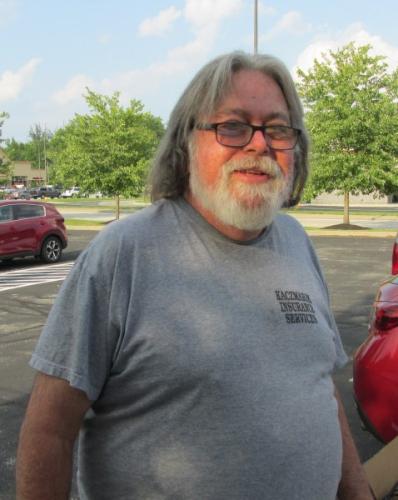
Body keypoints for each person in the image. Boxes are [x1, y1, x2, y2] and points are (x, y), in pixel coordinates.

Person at [16, 51, 373, 500]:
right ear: (187, 142)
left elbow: (318, 387)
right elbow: (49, 432)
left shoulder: (297, 242)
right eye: (233, 126)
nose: (259, 145)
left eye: (278, 129)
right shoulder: (123, 254)